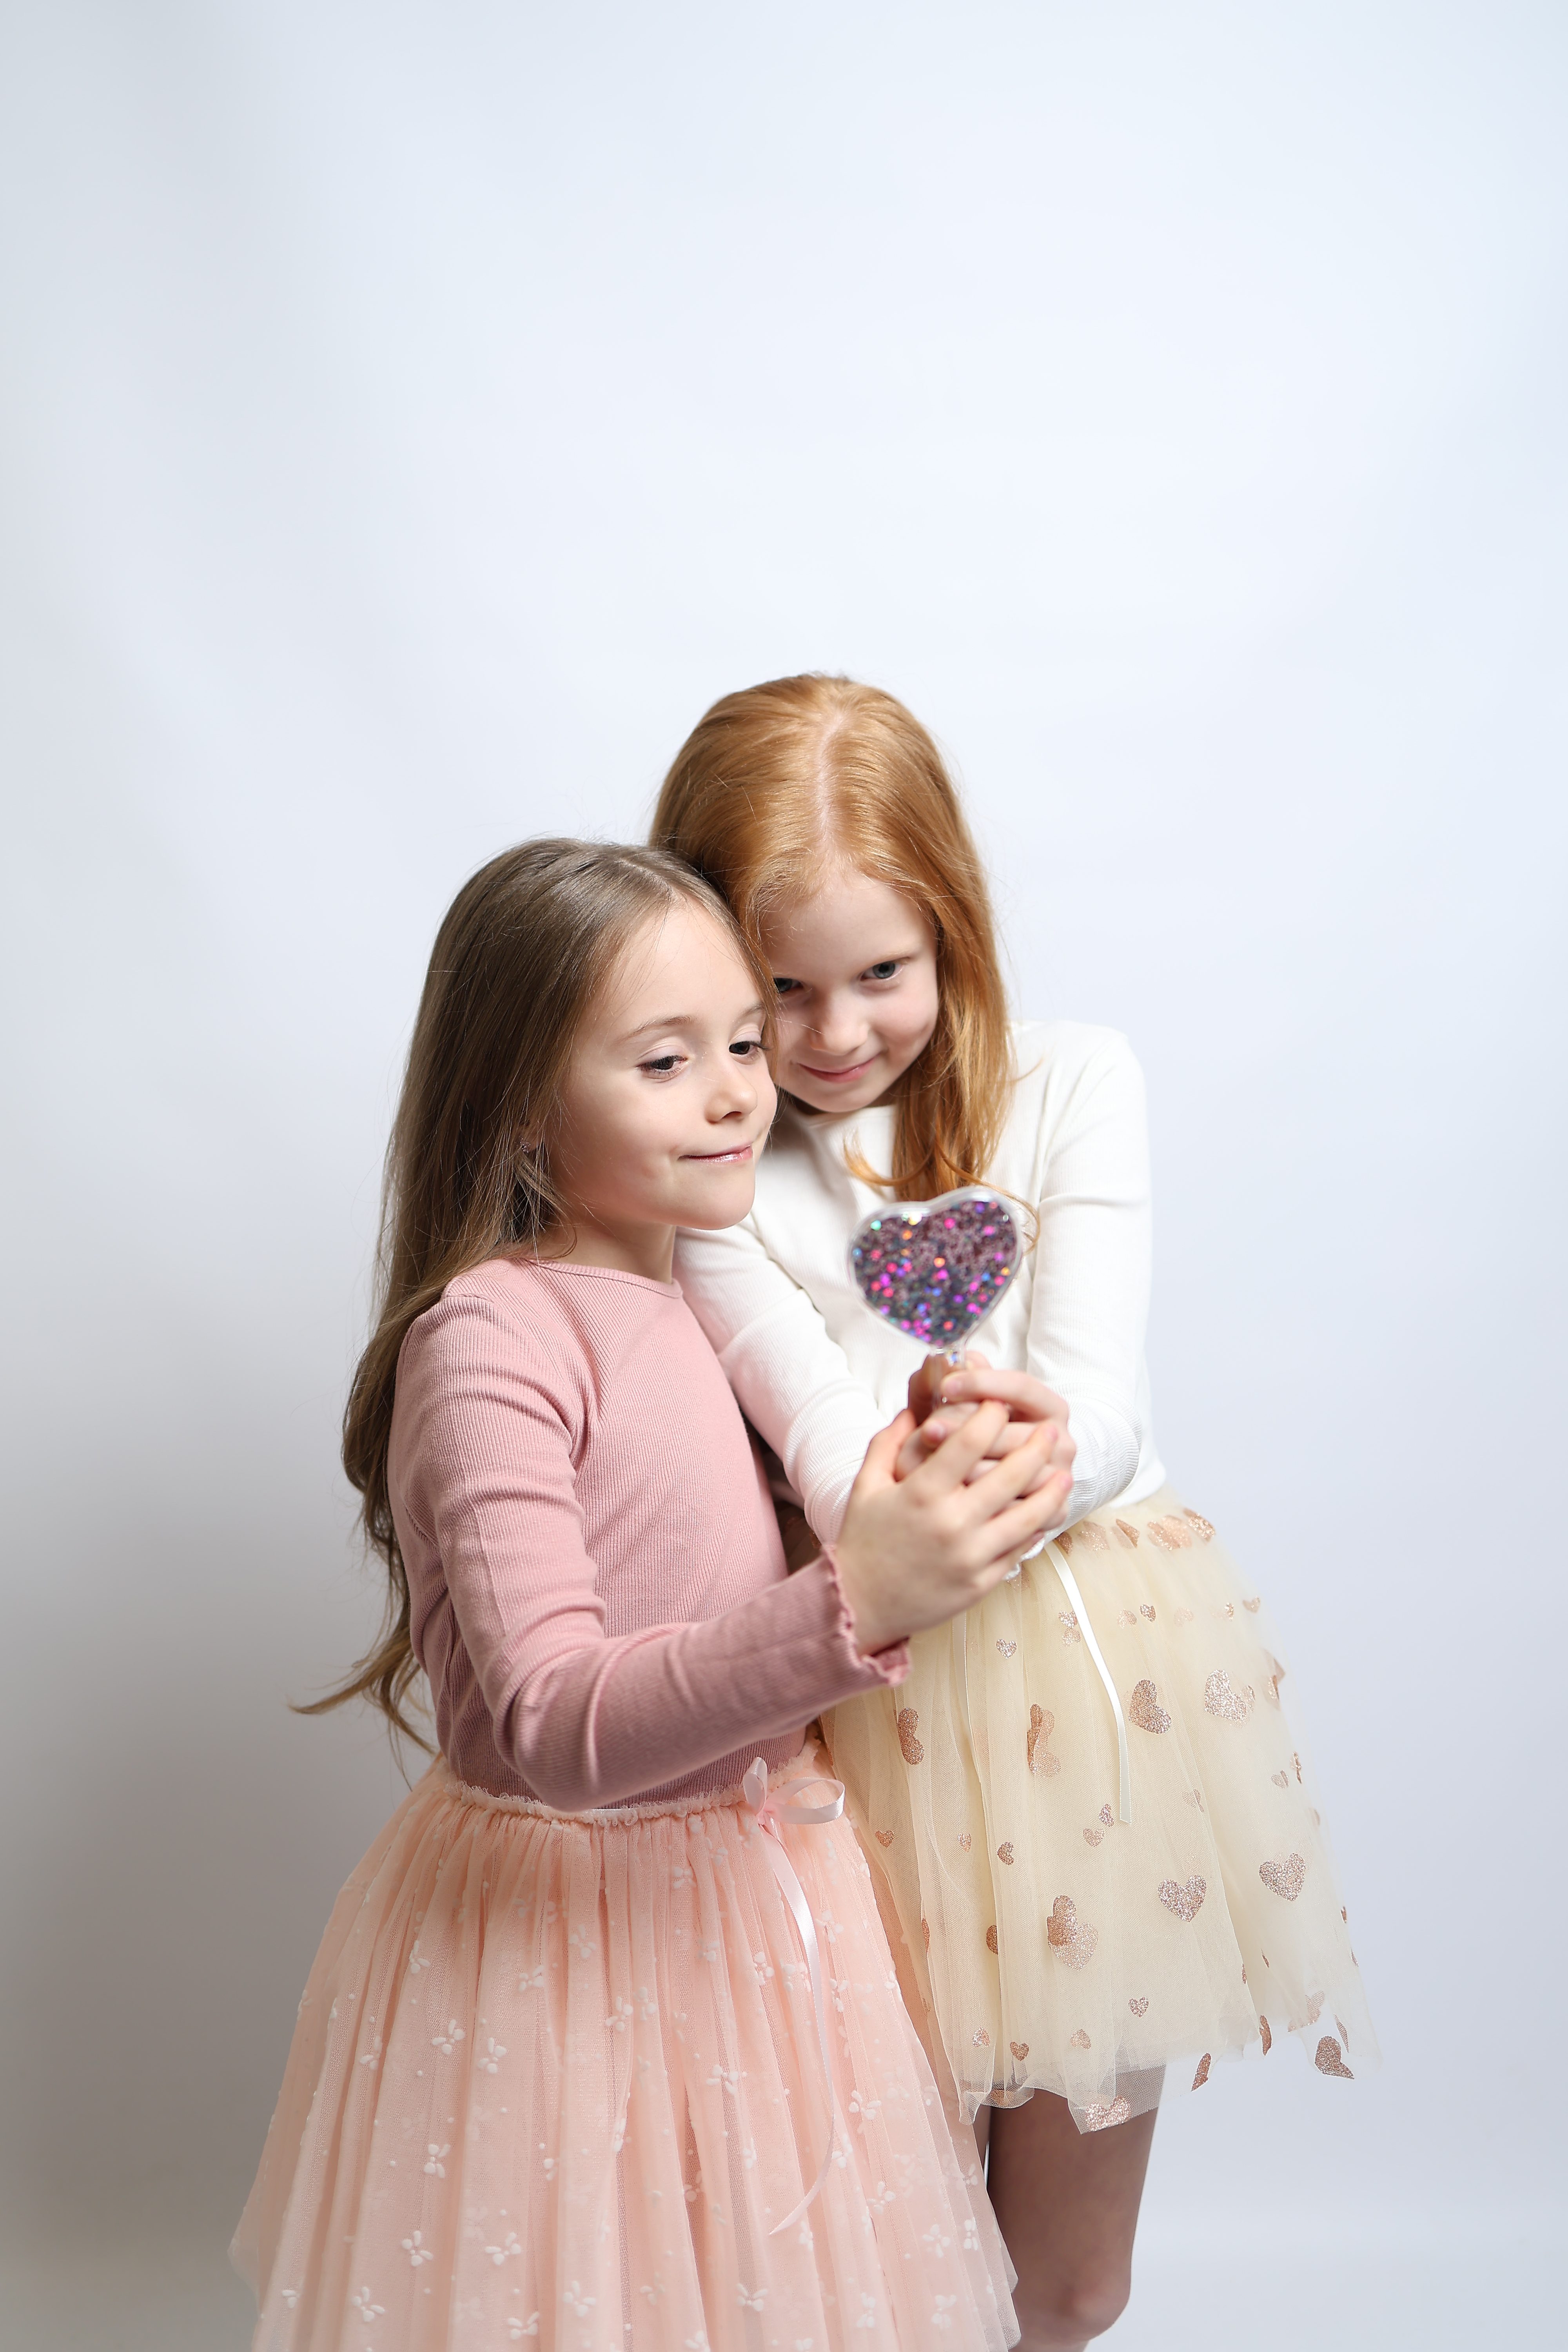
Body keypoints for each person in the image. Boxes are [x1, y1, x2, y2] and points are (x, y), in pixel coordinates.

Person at [233, 838, 1076, 2351]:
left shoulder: (707, 1297)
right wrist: (858, 1596)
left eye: (745, 1042)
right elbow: (553, 1722)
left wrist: (914, 1470)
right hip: (573, 1947)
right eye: (666, 1060)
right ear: (519, 1101)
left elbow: (714, 1559)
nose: (739, 1093)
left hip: (755, 1913)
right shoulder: (492, 1336)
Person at [653, 677, 1379, 2351]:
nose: (835, 1035)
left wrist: (1038, 1447)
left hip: (1088, 1696)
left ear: (952, 932)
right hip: (865, 1699)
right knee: (878, 2250)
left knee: (1067, 2278)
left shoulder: (1072, 1079)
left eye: (881, 974)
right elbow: (829, 1451)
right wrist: (915, 1475)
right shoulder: (716, 1174)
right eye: (781, 990)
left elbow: (1101, 1403)